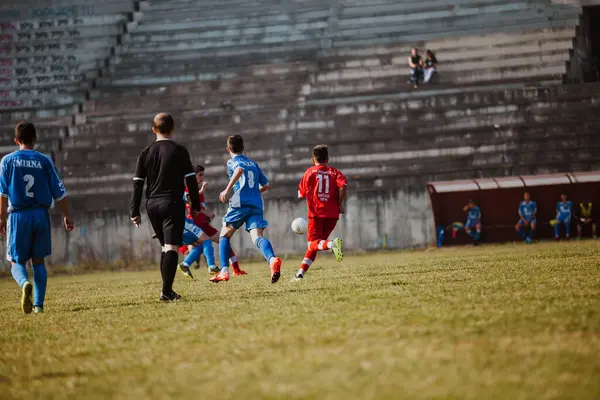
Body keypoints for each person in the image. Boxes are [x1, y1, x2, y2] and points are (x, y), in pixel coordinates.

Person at [0, 121, 74, 314]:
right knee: (38, 261)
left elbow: (2, 194)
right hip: (40, 214)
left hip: (18, 215)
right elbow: (60, 192)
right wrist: (66, 215)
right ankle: (38, 305)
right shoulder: (44, 160)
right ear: (35, 139)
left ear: (16, 140)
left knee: (16, 261)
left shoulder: (7, 161)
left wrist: (0, 218)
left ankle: (25, 283)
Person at [129, 113, 201, 301]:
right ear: (172, 129)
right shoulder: (179, 150)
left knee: (165, 247)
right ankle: (166, 292)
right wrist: (196, 204)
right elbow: (191, 180)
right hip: (172, 203)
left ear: (154, 130)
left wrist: (134, 211)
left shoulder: (145, 152)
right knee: (171, 247)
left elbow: (137, 183)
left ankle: (166, 290)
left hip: (152, 205)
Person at [212, 135, 282, 283]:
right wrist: (254, 193)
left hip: (240, 204)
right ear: (243, 148)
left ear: (228, 149)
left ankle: (224, 271)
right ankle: (272, 260)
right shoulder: (253, 163)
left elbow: (238, 171)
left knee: (224, 235)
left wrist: (226, 190)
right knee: (257, 238)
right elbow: (266, 185)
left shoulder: (232, 161)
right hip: (256, 204)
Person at [177, 165, 246, 279]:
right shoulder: (190, 189)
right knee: (223, 239)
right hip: (197, 224)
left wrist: (205, 215)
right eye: (200, 175)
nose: (202, 177)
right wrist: (206, 213)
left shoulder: (197, 190)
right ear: (192, 176)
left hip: (202, 223)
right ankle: (224, 267)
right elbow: (192, 206)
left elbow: (197, 206)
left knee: (205, 245)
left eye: (203, 175)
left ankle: (186, 264)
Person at [294, 145, 346, 281]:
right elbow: (343, 186)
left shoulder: (309, 172)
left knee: (312, 244)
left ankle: (331, 244)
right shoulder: (335, 172)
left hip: (316, 214)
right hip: (332, 215)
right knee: (316, 245)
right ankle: (300, 274)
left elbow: (300, 193)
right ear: (327, 159)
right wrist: (339, 204)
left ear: (313, 159)